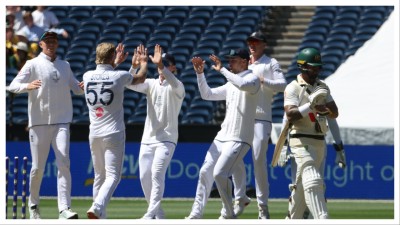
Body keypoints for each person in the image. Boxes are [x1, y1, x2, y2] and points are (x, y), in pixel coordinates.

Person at [8, 31, 84, 219]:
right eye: (47, 41)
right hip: (39, 122)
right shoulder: (32, 64)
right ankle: (33, 205)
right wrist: (27, 86)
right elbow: (12, 85)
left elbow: (76, 89)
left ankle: (64, 208)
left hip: (62, 122)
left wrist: (84, 86)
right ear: (41, 44)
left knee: (64, 163)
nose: (50, 44)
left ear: (57, 44)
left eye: (53, 41)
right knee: (37, 167)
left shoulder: (65, 65)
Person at [186, 49, 260, 219]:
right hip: (222, 137)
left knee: (219, 174)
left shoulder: (253, 79)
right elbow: (207, 95)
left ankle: (228, 214)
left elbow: (242, 85)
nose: (229, 63)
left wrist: (222, 70)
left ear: (244, 61)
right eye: (229, 60)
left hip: (240, 139)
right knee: (205, 172)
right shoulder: (230, 83)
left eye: (233, 60)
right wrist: (200, 74)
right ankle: (196, 214)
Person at [84, 43, 148, 219]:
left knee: (99, 176)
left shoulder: (87, 75)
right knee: (113, 176)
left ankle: (99, 216)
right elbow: (140, 78)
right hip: (113, 132)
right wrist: (142, 62)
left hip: (94, 133)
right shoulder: (119, 76)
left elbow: (107, 77)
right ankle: (97, 207)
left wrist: (116, 63)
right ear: (112, 57)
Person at [229, 31, 287, 219]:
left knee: (258, 161)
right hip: (242, 118)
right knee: (234, 159)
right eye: (250, 42)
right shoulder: (244, 63)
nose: (252, 45)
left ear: (264, 44)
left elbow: (282, 85)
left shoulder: (270, 63)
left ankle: (262, 207)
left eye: (256, 42)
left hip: (261, 118)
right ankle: (240, 198)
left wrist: (264, 80)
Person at [126, 44, 185, 219]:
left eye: (167, 64)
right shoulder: (150, 84)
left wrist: (160, 65)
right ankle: (159, 215)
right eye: (161, 63)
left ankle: (150, 214)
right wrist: (134, 66)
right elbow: (129, 83)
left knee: (157, 174)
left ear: (173, 67)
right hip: (148, 139)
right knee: (144, 177)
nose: (163, 66)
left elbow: (172, 81)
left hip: (167, 139)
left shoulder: (178, 86)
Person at [282, 48, 339, 219]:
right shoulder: (292, 87)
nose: (316, 71)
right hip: (300, 140)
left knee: (301, 190)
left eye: (318, 68)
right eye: (313, 68)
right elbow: (290, 114)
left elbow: (335, 112)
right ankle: (323, 218)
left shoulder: (322, 87)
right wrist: (310, 106)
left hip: (320, 142)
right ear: (302, 67)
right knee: (314, 181)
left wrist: (324, 111)